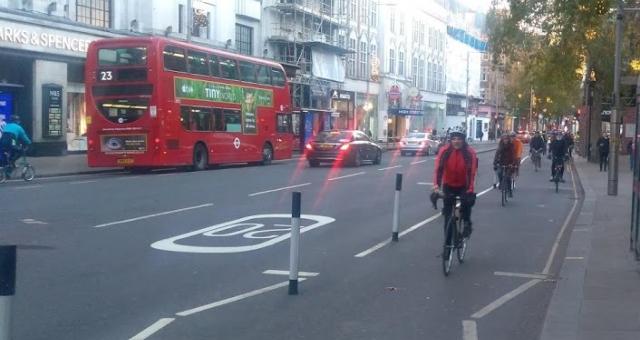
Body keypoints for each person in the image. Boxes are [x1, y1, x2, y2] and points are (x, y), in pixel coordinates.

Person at [432, 131, 478, 238]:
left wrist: (470, 189)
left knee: (466, 205)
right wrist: (436, 186)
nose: (456, 141)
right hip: (448, 185)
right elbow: (438, 169)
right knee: (448, 216)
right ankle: (447, 248)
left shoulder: (469, 152)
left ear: (463, 140)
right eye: (454, 139)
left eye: (459, 139)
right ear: (450, 140)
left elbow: (472, 173)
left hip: (464, 185)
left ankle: (467, 224)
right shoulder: (444, 151)